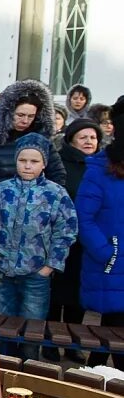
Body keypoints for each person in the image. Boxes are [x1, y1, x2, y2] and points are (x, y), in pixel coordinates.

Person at [0, 134, 78, 359]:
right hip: (1, 273)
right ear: (16, 160)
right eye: (23, 160)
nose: (27, 165)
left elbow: (67, 231)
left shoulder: (56, 194)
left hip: (36, 275)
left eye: (34, 161)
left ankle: (28, 377)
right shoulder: (2, 189)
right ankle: (1, 374)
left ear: (43, 164)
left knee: (31, 332)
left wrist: (50, 266)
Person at [48, 118, 102, 359]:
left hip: (88, 243)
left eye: (93, 137)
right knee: (54, 295)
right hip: (59, 239)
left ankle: (73, 345)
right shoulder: (60, 163)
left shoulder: (102, 165)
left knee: (76, 298)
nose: (89, 141)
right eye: (84, 137)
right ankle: (49, 344)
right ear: (71, 140)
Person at [76, 96, 124, 359]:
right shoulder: (100, 170)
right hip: (112, 263)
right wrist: (109, 252)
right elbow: (84, 217)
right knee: (110, 335)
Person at [0, 80, 67, 191]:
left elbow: (58, 174)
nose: (25, 121)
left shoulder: (41, 140)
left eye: (31, 116)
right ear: (7, 112)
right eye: (20, 115)